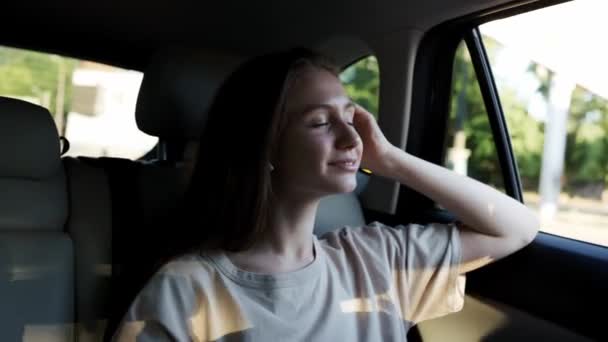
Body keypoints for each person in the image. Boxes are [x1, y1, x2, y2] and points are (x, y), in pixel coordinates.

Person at [112, 48, 539, 341]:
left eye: (351, 117)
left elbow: (516, 228)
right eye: (320, 122)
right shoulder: (186, 289)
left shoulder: (375, 258)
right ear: (265, 145)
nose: (353, 138)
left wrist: (390, 159)